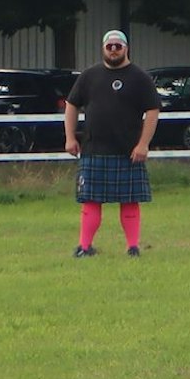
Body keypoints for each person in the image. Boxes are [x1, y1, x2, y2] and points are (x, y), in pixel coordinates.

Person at [64, 30, 160, 259]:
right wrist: (69, 137)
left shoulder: (139, 77)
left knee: (129, 201)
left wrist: (143, 144)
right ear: (103, 48)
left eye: (118, 46)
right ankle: (84, 247)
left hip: (128, 150)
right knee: (90, 201)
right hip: (94, 148)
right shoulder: (89, 75)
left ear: (126, 48)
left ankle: (133, 247)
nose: (114, 50)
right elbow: (71, 105)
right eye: (110, 46)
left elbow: (153, 110)